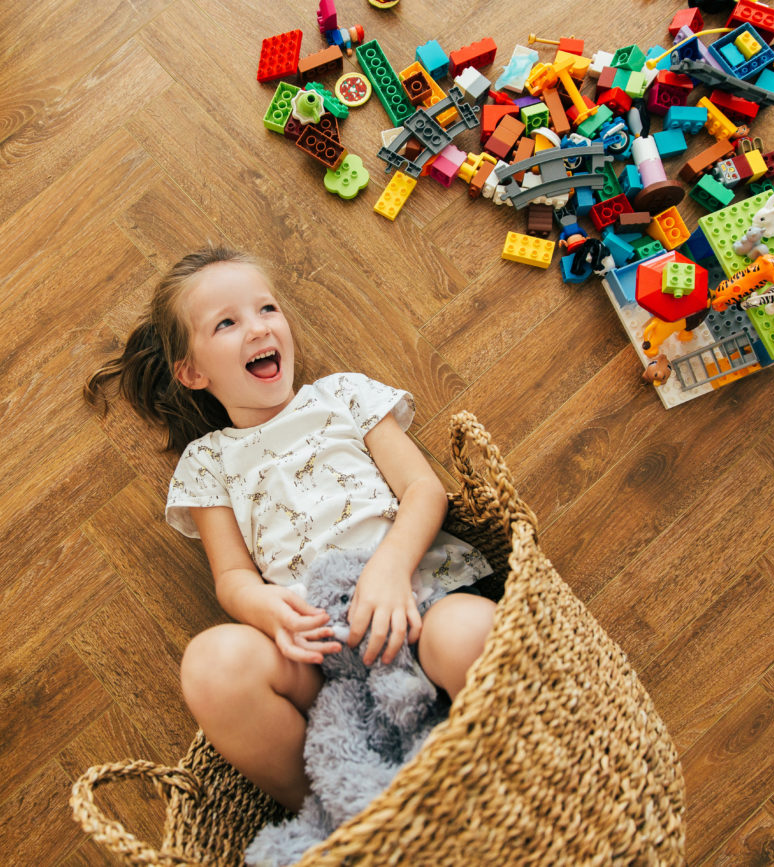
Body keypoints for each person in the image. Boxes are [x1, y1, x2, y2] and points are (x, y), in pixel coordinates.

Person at [83, 246, 498, 812]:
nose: (257, 328)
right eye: (227, 323)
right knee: (212, 667)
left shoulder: (342, 396)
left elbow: (424, 491)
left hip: (419, 599)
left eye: (267, 309)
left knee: (468, 636)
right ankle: (342, 815)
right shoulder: (207, 463)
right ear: (193, 372)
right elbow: (232, 575)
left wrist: (391, 569)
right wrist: (266, 611)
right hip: (322, 655)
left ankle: (497, 770)